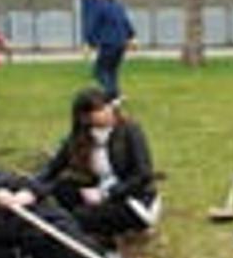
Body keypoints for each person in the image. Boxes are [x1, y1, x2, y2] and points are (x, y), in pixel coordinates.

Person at [35, 88, 159, 247]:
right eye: (99, 109)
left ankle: (108, 234)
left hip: (136, 201)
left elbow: (143, 175)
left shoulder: (130, 129)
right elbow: (53, 168)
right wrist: (27, 187)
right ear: (84, 117)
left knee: (79, 216)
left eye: (107, 105)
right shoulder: (81, 136)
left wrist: (105, 194)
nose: (107, 111)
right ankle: (92, 230)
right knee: (61, 188)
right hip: (99, 193)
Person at [85, 0, 136, 100]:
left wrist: (90, 42)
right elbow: (126, 23)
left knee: (99, 71)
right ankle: (118, 94)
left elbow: (93, 25)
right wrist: (132, 37)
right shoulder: (119, 6)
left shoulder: (99, 6)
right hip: (121, 43)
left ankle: (111, 94)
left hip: (108, 43)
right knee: (112, 70)